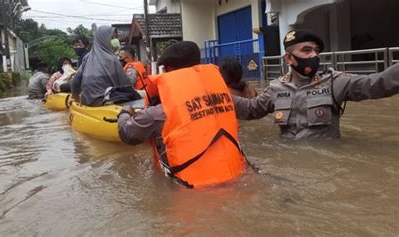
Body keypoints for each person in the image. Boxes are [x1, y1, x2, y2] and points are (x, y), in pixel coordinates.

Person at [118, 41, 249, 189]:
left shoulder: (160, 112)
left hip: (191, 192)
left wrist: (124, 112)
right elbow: (252, 109)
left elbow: (127, 133)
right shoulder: (224, 98)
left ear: (170, 70)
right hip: (237, 179)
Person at [233, 29, 399, 139]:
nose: (314, 55)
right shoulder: (276, 88)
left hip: (326, 170)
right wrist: (215, 95)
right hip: (290, 165)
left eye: (316, 51)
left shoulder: (335, 82)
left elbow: (377, 84)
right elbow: (251, 110)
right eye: (306, 50)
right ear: (289, 58)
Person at [71, 25, 133, 106]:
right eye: (111, 39)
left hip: (86, 101)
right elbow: (126, 84)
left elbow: (75, 81)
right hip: (104, 102)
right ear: (104, 40)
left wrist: (75, 99)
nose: (114, 42)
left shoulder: (86, 57)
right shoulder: (112, 59)